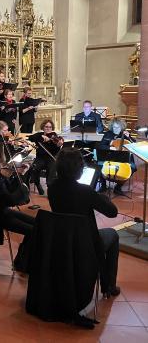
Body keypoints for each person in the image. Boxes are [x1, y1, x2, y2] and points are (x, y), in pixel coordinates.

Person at [48, 148, 120, 298]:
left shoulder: (52, 187)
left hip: (62, 239)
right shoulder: (86, 191)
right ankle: (109, 286)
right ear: (79, 169)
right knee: (113, 235)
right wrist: (101, 197)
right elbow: (112, 212)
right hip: (86, 243)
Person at [0, 142, 33, 271]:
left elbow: (6, 187)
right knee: (33, 231)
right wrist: (23, 187)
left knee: (37, 223)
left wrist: (17, 173)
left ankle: (24, 260)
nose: (4, 155)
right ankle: (22, 263)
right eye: (2, 152)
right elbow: (9, 200)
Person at [98, 118, 137, 194]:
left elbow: (134, 146)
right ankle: (103, 186)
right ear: (112, 127)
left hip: (124, 158)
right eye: (114, 127)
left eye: (118, 127)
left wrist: (129, 137)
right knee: (99, 165)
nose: (116, 129)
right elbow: (101, 146)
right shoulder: (108, 134)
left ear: (121, 127)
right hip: (110, 157)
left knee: (133, 167)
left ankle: (118, 187)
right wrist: (110, 147)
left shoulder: (125, 134)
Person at [28, 119, 63, 195]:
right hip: (40, 158)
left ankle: (50, 187)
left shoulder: (54, 136)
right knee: (34, 168)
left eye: (50, 127)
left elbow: (56, 151)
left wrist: (58, 146)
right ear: (43, 127)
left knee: (51, 168)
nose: (48, 129)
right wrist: (42, 138)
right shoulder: (38, 135)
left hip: (51, 158)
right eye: (46, 127)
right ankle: (37, 184)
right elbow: (30, 138)